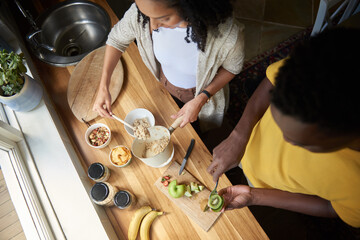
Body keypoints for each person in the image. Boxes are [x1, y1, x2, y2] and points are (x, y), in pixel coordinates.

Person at [207, 27, 360, 228]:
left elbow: (332, 208)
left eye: (300, 143)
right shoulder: (317, 64)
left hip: (273, 187)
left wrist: (255, 196)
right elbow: (272, 80)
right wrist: (240, 135)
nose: (283, 139)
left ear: (341, 137)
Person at [93, 0, 244, 131]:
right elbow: (116, 40)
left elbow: (232, 68)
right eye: (147, 15)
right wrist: (103, 86)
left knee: (202, 129)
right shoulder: (143, 14)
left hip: (203, 94)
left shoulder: (228, 35)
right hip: (165, 85)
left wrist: (202, 98)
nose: (153, 25)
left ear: (189, 6)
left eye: (164, 18)